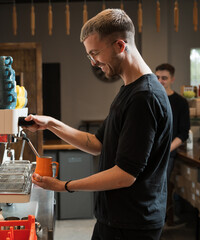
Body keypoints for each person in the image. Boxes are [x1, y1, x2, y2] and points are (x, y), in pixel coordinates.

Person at [24, 9, 172, 240]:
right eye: (89, 55)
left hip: (133, 225)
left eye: (95, 53)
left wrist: (64, 186)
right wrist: (51, 123)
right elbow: (96, 143)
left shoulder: (145, 97)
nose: (93, 62)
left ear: (119, 46)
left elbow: (125, 175)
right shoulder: (129, 91)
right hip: (114, 219)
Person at [155, 63, 190, 180]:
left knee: (159, 191)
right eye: (157, 77)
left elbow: (184, 132)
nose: (160, 81)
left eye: (164, 78)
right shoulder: (150, 99)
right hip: (148, 154)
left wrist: (166, 150)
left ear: (172, 79)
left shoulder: (181, 102)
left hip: (167, 155)